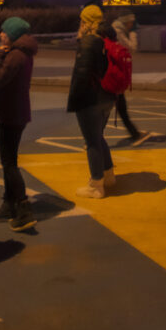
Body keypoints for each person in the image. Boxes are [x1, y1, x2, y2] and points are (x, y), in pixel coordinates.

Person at [0, 16, 39, 231]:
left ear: (12, 34)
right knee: (9, 160)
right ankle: (9, 204)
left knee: (9, 163)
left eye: (3, 32)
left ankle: (23, 208)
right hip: (15, 112)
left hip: (11, 113)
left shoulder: (15, 55)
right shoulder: (20, 53)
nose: (0, 35)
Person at [67, 16, 118, 199]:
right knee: (98, 137)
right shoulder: (106, 40)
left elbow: (81, 75)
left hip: (91, 100)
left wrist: (74, 100)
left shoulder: (88, 42)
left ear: (85, 22)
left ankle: (96, 185)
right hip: (107, 97)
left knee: (92, 142)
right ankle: (109, 175)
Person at [110, 14, 153, 145]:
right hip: (113, 74)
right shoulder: (118, 32)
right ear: (127, 22)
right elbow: (132, 47)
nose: (132, 25)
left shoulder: (116, 30)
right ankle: (92, 140)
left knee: (119, 107)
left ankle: (134, 132)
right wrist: (133, 34)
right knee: (111, 108)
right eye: (131, 23)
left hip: (114, 73)